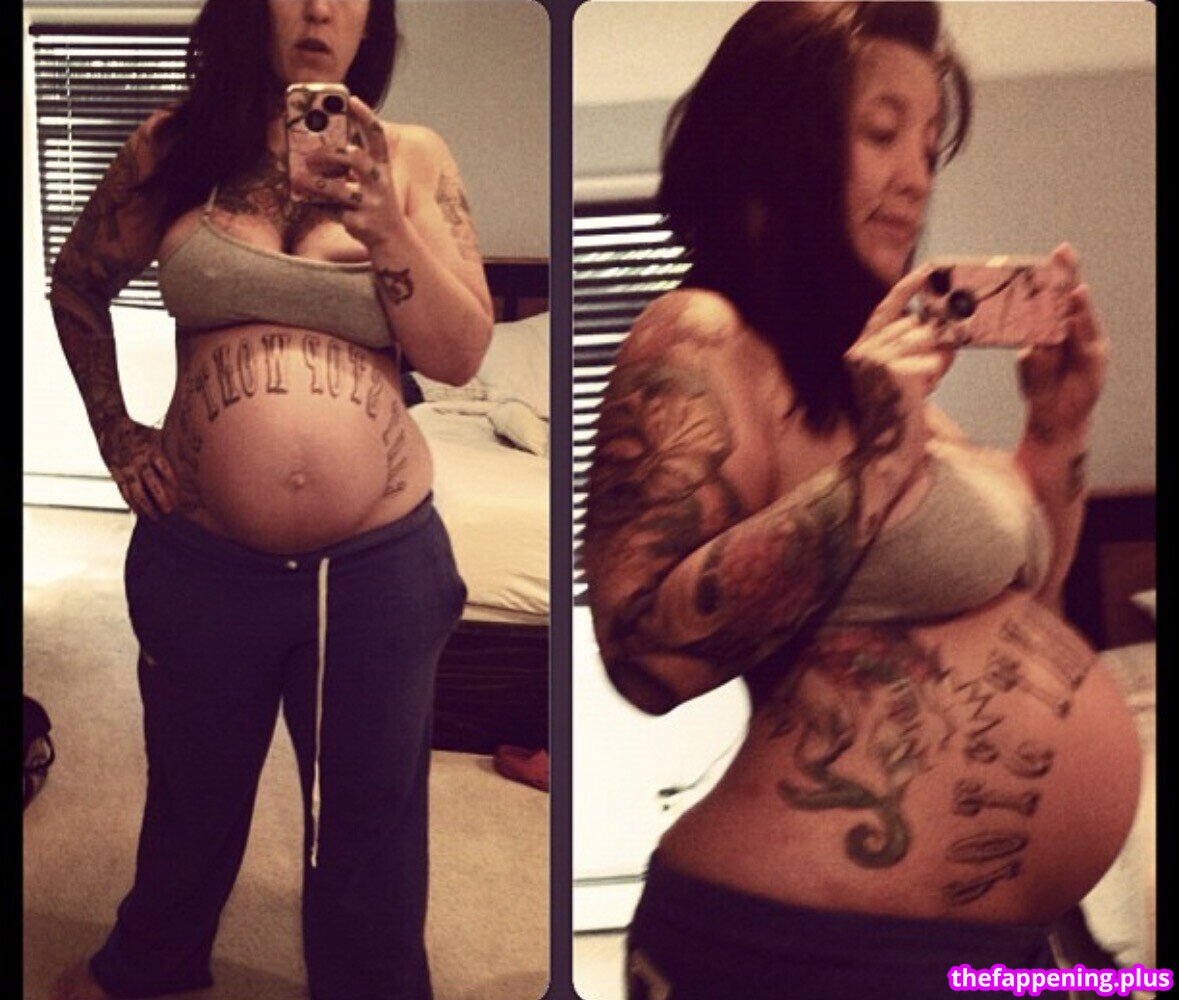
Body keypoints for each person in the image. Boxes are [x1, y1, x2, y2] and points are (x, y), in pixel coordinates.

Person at [583, 3, 1141, 997]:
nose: (917, 176)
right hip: (800, 949)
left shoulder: (871, 380)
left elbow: (1030, 612)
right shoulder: (701, 335)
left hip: (1003, 945)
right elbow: (642, 655)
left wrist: (1056, 432)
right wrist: (875, 465)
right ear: (774, 145)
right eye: (882, 134)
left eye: (926, 145)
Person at [48, 0, 492, 997]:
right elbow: (77, 283)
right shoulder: (175, 149)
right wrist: (116, 434)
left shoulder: (410, 158)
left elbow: (460, 354)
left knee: (371, 819)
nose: (323, 7)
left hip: (374, 568)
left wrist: (385, 226)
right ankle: (153, 963)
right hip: (201, 557)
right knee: (190, 792)